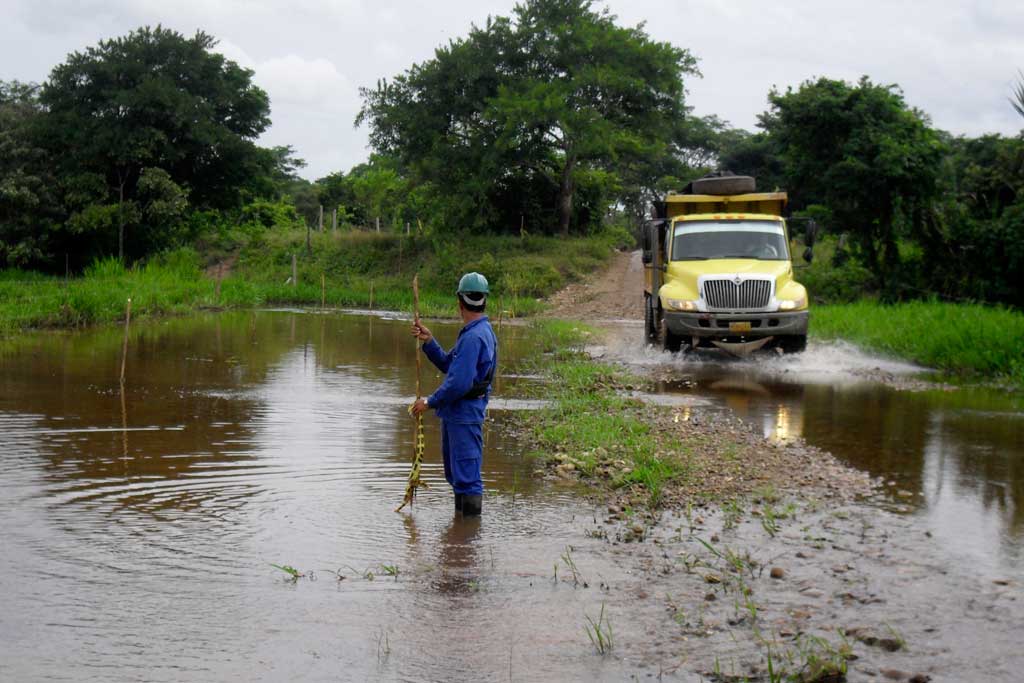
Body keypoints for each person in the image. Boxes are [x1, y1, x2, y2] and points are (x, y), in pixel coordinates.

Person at [411, 272, 497, 517]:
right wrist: (429, 342)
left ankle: (468, 540)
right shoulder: (477, 332)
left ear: (460, 303)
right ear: (484, 301)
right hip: (459, 414)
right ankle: (462, 542)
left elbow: (458, 383)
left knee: (466, 479)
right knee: (457, 476)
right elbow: (452, 366)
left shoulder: (474, 337)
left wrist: (429, 402)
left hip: (465, 415)